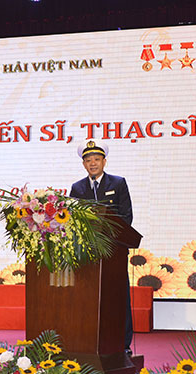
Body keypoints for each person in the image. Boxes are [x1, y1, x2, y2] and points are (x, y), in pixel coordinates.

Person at [69, 139, 134, 355]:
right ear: (84, 164)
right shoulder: (77, 188)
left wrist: (107, 238)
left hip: (114, 251)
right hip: (88, 254)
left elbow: (126, 217)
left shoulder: (118, 183)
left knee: (118, 297)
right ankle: (90, 341)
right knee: (89, 298)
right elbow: (72, 220)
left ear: (104, 161)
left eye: (97, 159)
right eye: (88, 160)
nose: (93, 163)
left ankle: (123, 344)